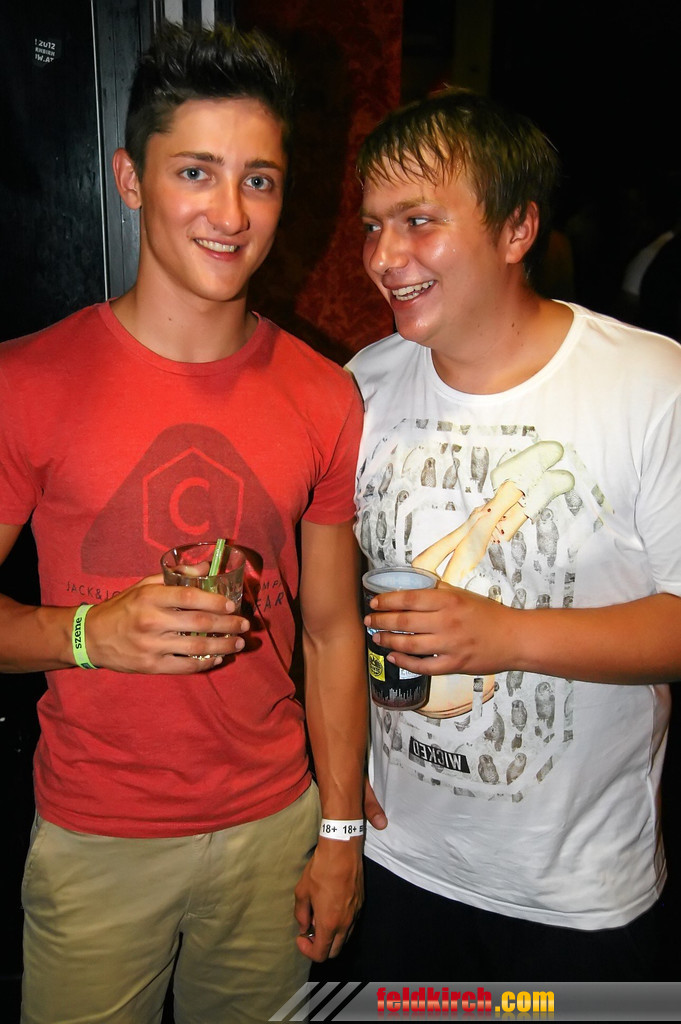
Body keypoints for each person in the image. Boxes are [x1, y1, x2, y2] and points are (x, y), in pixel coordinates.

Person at [0, 22, 366, 1024]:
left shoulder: (324, 394)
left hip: (274, 827)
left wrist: (340, 833)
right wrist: (88, 633)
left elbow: (333, 630)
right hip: (98, 837)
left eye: (260, 180)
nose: (230, 212)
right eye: (196, 172)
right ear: (131, 179)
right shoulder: (26, 382)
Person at [340, 88, 681, 980]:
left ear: (517, 228)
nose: (383, 257)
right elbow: (332, 611)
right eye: (372, 226)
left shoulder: (651, 385)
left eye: (418, 221)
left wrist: (508, 635)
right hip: (398, 857)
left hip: (573, 891)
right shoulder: (363, 383)